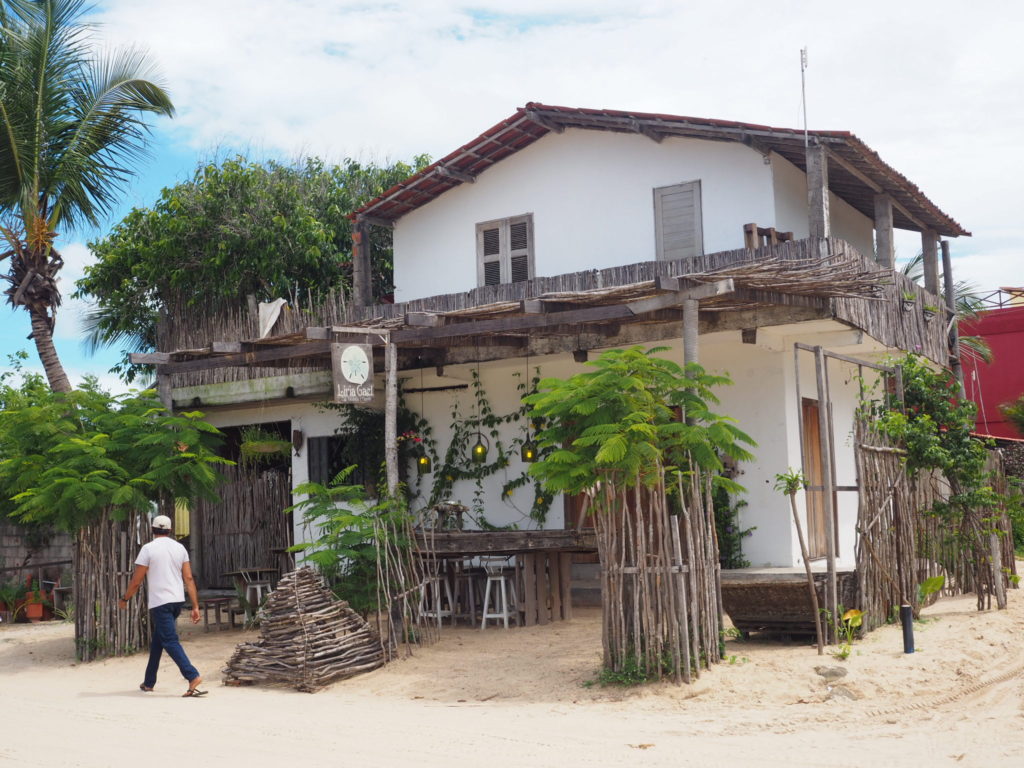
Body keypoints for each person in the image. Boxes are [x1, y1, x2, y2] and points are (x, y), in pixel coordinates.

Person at [119, 514, 206, 697]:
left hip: (160, 603)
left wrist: (125, 598)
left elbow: (137, 580)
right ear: (170, 530)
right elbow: (188, 578)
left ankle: (192, 676)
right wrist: (196, 606)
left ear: (152, 529)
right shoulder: (179, 547)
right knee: (158, 641)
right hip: (177, 601)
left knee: (169, 641)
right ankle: (149, 682)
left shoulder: (148, 549)